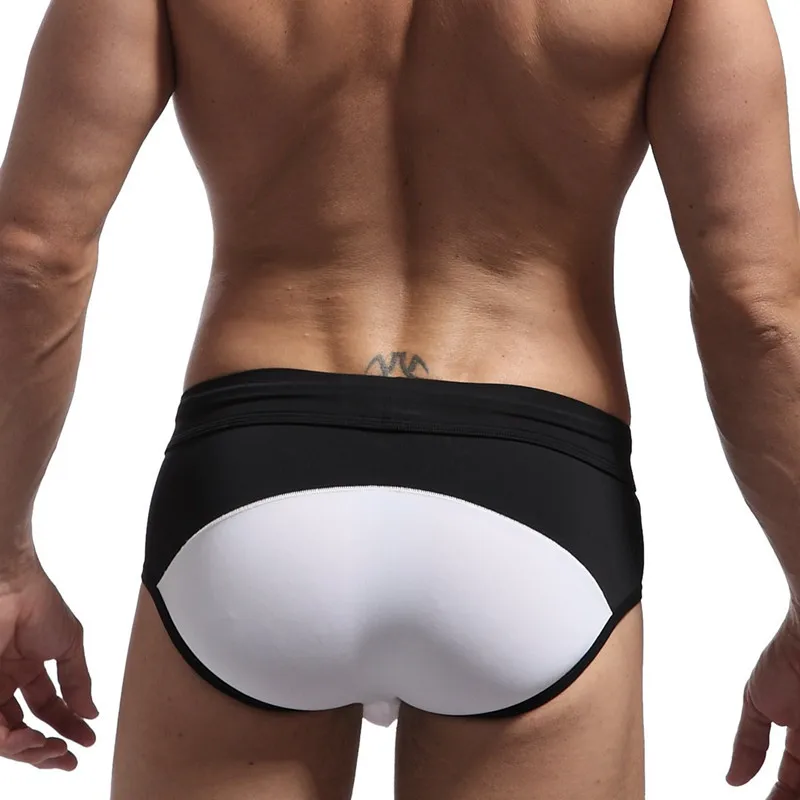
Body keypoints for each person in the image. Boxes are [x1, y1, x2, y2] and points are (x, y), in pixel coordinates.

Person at [0, 0, 798, 797]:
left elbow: (32, 259)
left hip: (251, 485)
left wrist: (4, 566)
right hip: (535, 497)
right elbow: (759, 312)